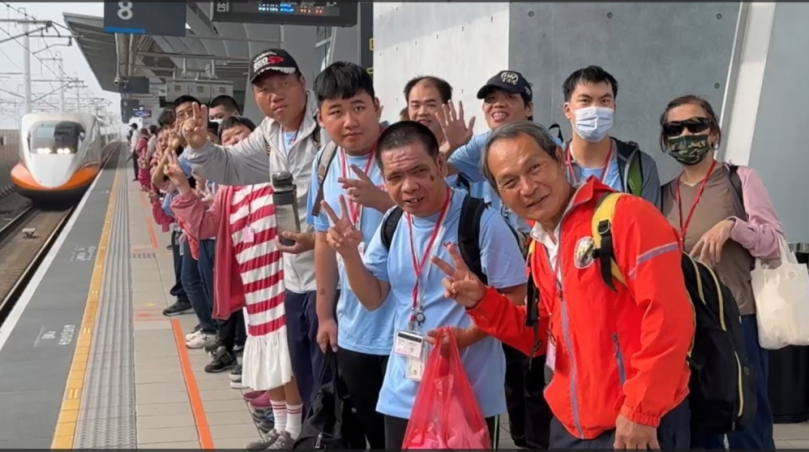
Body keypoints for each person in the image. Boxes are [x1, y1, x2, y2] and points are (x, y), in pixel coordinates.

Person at [444, 121, 694, 449]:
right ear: (500, 194)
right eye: (510, 182)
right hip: (570, 425)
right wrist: (482, 303)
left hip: (635, 424)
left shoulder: (627, 216)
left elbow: (670, 320)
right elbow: (541, 338)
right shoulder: (539, 244)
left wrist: (640, 411)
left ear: (560, 159)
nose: (528, 187)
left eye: (534, 167)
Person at [321, 120, 528, 450]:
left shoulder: (480, 221)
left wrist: (466, 337)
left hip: (467, 388)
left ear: (441, 165)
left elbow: (516, 300)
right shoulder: (393, 222)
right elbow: (373, 298)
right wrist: (348, 256)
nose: (408, 187)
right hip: (404, 386)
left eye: (419, 171)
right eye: (395, 177)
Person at [182, 47, 322, 434]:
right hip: (293, 278)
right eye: (264, 89)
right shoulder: (270, 134)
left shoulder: (327, 126)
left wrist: (321, 240)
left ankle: (313, 435)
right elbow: (228, 166)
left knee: (328, 371)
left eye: (283, 84)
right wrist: (198, 147)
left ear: (302, 85)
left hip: (333, 273)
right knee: (303, 367)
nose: (274, 95)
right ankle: (298, 435)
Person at [659, 95, 781, 450]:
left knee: (747, 421)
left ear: (714, 133)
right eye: (675, 128)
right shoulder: (663, 194)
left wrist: (732, 227)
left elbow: (773, 241)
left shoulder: (739, 179)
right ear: (666, 139)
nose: (686, 134)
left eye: (696, 125)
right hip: (683, 325)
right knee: (698, 425)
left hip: (735, 321)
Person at [306, 61, 395, 450]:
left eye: (358, 107)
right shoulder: (324, 162)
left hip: (406, 326)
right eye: (336, 112)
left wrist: (383, 199)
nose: (349, 121)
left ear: (376, 105)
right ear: (321, 118)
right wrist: (325, 315)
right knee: (371, 432)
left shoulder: (401, 152)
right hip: (355, 328)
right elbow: (324, 240)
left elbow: (435, 214)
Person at [560, 65, 662, 208]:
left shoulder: (641, 167)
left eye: (604, 101)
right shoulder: (551, 164)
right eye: (585, 101)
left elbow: (651, 226)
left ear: (614, 107)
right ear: (567, 110)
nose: (595, 108)